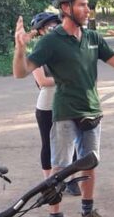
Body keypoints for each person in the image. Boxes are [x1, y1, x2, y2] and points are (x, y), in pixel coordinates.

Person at [12, 0, 114, 217]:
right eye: (81, 4)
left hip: (92, 110)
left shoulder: (92, 38)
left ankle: (88, 213)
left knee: (90, 165)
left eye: (87, 4)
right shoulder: (51, 41)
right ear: (65, 8)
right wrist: (20, 48)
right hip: (65, 112)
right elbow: (20, 72)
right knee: (59, 170)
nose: (87, 9)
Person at [29, 12, 82, 196]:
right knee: (48, 144)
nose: (53, 28)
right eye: (49, 26)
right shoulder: (36, 53)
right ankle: (49, 183)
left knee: (70, 143)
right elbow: (42, 81)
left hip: (67, 103)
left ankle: (71, 180)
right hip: (47, 106)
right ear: (41, 31)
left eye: (55, 25)